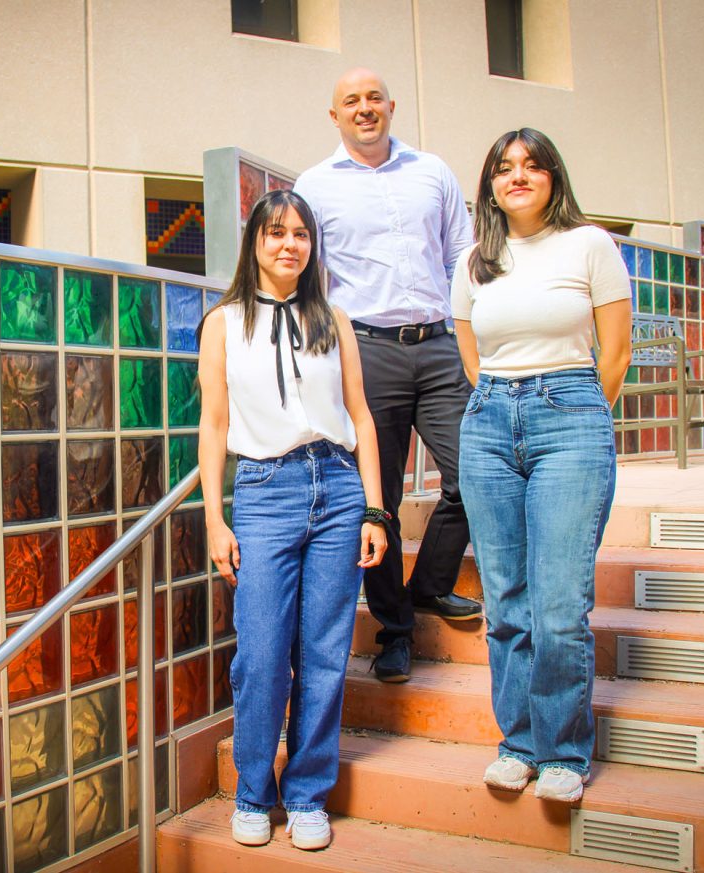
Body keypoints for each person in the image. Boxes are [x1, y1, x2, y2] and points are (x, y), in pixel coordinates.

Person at [197, 189, 387, 849]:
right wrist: (215, 520)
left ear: (312, 245)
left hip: (336, 485)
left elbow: (361, 415)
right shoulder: (224, 322)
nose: (289, 244)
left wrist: (375, 507)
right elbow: (215, 423)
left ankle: (307, 793)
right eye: (276, 232)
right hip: (264, 490)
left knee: (325, 653)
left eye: (301, 233)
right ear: (254, 241)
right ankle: (254, 791)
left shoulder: (333, 317)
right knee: (262, 653)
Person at [451, 128, 633, 803]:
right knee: (505, 600)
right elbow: (471, 351)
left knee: (558, 603)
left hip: (571, 417)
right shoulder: (474, 259)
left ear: (554, 176)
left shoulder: (589, 244)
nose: (517, 176)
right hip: (491, 422)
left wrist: (578, 412)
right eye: (504, 168)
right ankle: (518, 741)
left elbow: (614, 352)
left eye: (531, 165)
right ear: (490, 185)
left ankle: (562, 748)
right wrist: (503, 398)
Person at [293, 67, 480, 685]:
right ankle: (395, 630)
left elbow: (463, 256)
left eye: (374, 98)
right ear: (334, 115)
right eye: (352, 100)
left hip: (440, 344)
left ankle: (428, 585)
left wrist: (472, 333)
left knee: (474, 474)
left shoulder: (433, 172)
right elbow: (307, 279)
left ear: (391, 106)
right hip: (367, 350)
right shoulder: (315, 187)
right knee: (381, 498)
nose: (365, 108)